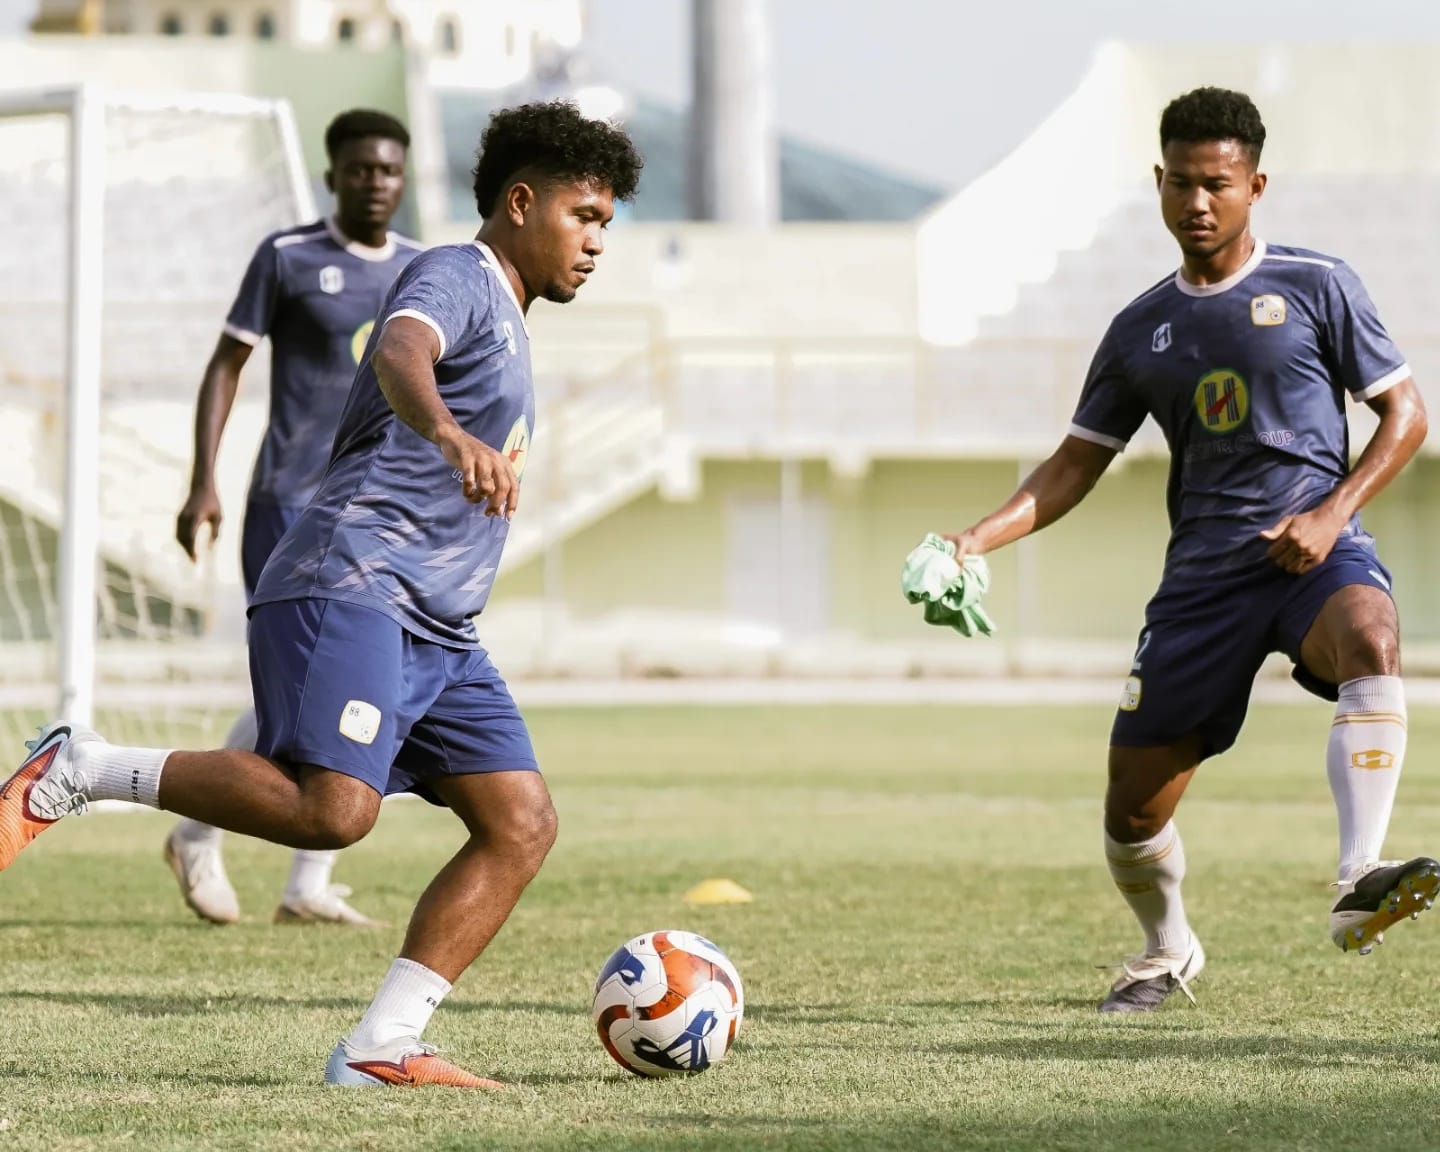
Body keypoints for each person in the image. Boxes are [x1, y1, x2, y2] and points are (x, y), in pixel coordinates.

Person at [0, 101, 643, 1086]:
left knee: (522, 824)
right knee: (334, 812)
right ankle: (85, 766)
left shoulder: (512, 317)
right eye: (585, 215)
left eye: (606, 223)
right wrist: (448, 434)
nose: (597, 242)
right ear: (521, 203)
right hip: (350, 582)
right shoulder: (455, 275)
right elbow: (399, 352)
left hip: (441, 627)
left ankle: (384, 1045)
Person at [937, 87, 1436, 1012]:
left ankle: (1357, 877)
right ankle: (1166, 950)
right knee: (1132, 812)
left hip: (1312, 556)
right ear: (1157, 184)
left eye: (1217, 184)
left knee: (1372, 634)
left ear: (1254, 185)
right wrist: (978, 537)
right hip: (1202, 587)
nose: (1197, 202)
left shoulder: (1319, 284)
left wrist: (1333, 514)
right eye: (1179, 184)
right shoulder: (1137, 331)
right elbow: (1074, 464)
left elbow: (1405, 417)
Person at [168, 108, 422, 929]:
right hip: (287, 502)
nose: (374, 183)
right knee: (304, 693)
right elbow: (226, 366)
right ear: (334, 173)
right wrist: (203, 480)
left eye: (387, 171)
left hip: (377, 514)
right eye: (360, 169)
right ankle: (201, 831)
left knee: (358, 689)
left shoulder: (425, 271)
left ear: (403, 178)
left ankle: (301, 880)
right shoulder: (288, 256)